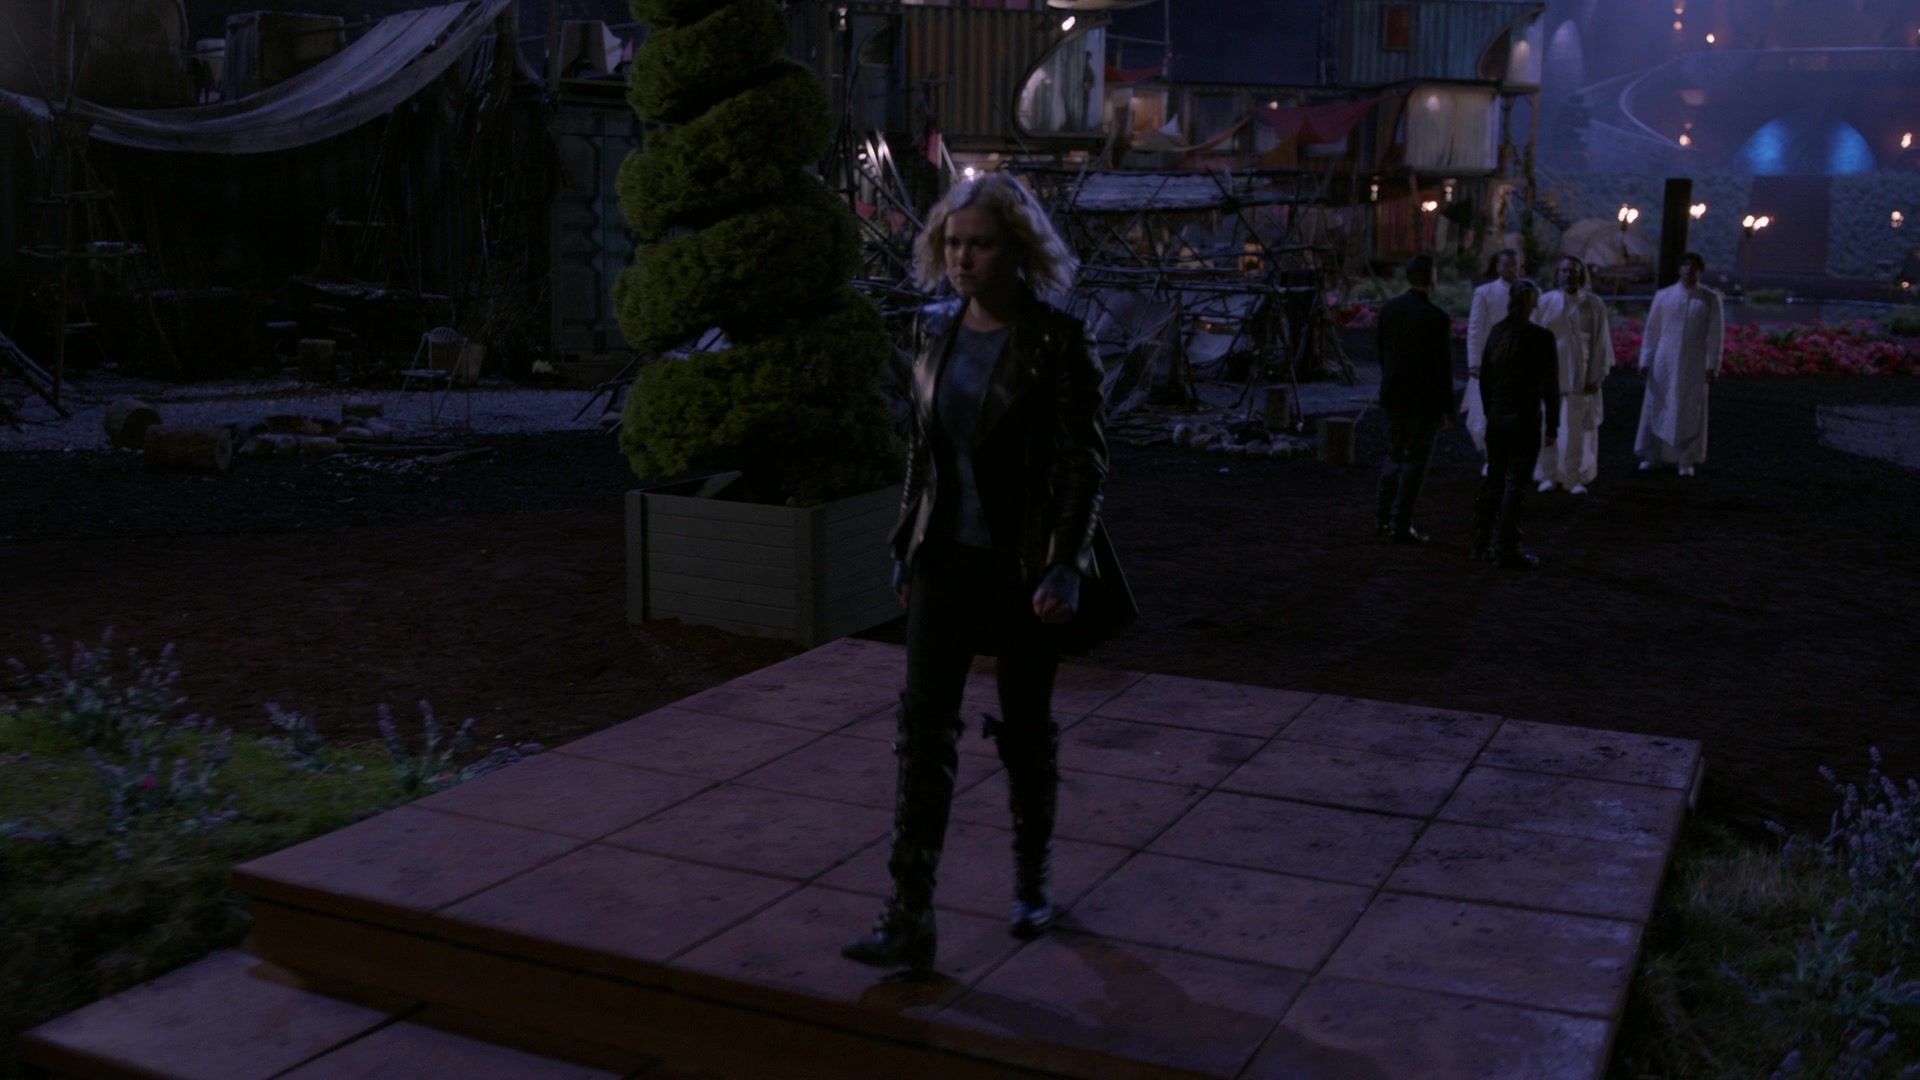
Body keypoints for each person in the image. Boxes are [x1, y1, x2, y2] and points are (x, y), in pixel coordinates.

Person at [843, 173, 1134, 975]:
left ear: (1018, 250)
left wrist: (1066, 565)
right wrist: (906, 542)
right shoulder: (935, 332)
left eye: (981, 244)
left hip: (1023, 565)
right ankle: (909, 917)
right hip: (945, 558)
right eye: (954, 243)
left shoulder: (1057, 342)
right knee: (921, 732)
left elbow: (1084, 464)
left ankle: (1031, 881)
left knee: (1025, 729)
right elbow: (923, 450)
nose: (963, 259)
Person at [1472, 279, 1559, 569]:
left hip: (1499, 417)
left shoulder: (1498, 332)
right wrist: (1553, 425)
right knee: (1516, 484)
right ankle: (1507, 547)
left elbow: (1485, 380)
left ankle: (1481, 543)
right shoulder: (1541, 338)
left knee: (1494, 480)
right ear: (1534, 303)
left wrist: (1491, 412)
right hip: (1524, 418)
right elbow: (1550, 386)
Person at [1373, 253, 1454, 545]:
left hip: (1394, 394)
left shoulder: (1390, 310)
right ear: (1432, 278)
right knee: (1415, 462)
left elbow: (1383, 353)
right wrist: (1447, 409)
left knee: (1393, 455)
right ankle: (1401, 522)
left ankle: (1382, 517)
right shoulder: (1436, 318)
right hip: (1424, 401)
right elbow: (1442, 368)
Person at [1635, 252, 1725, 477]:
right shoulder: (1663, 296)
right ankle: (1652, 455)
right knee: (1658, 405)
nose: (1689, 270)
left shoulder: (1709, 298)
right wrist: (1645, 360)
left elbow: (1716, 335)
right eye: (1685, 265)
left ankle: (1685, 459)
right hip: (1664, 361)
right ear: (1679, 269)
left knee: (1690, 409)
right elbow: (1652, 331)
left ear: (1700, 271)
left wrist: (1712, 365)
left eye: (1694, 267)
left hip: (1694, 363)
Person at [1532, 256, 1615, 494]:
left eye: (1573, 271)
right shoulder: (1545, 302)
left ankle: (1573, 478)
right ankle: (1548, 475)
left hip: (1581, 374)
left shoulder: (1594, 304)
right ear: (1558, 274)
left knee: (1576, 429)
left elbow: (1601, 342)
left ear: (1581, 275)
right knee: (1548, 426)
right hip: (1550, 375)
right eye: (1564, 271)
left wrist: (1595, 376)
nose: (1569, 275)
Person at [1462, 248, 1521, 471]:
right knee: (1487, 413)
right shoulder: (1485, 292)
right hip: (1492, 362)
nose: (1510, 269)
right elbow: (1475, 329)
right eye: (1506, 265)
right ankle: (1492, 458)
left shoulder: (1528, 291)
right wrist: (1474, 362)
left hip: (1519, 362)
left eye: (1514, 265)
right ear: (1498, 267)